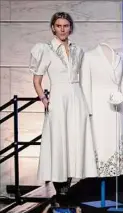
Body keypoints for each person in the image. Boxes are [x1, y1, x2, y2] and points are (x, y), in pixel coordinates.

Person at [29, 12, 98, 198]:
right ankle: (60, 188)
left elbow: (84, 78)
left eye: (66, 26)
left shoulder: (78, 50)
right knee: (58, 140)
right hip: (58, 99)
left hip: (77, 97)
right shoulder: (45, 50)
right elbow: (37, 80)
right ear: (53, 27)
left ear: (70, 28)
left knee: (74, 140)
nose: (62, 29)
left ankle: (69, 184)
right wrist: (44, 99)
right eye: (58, 26)